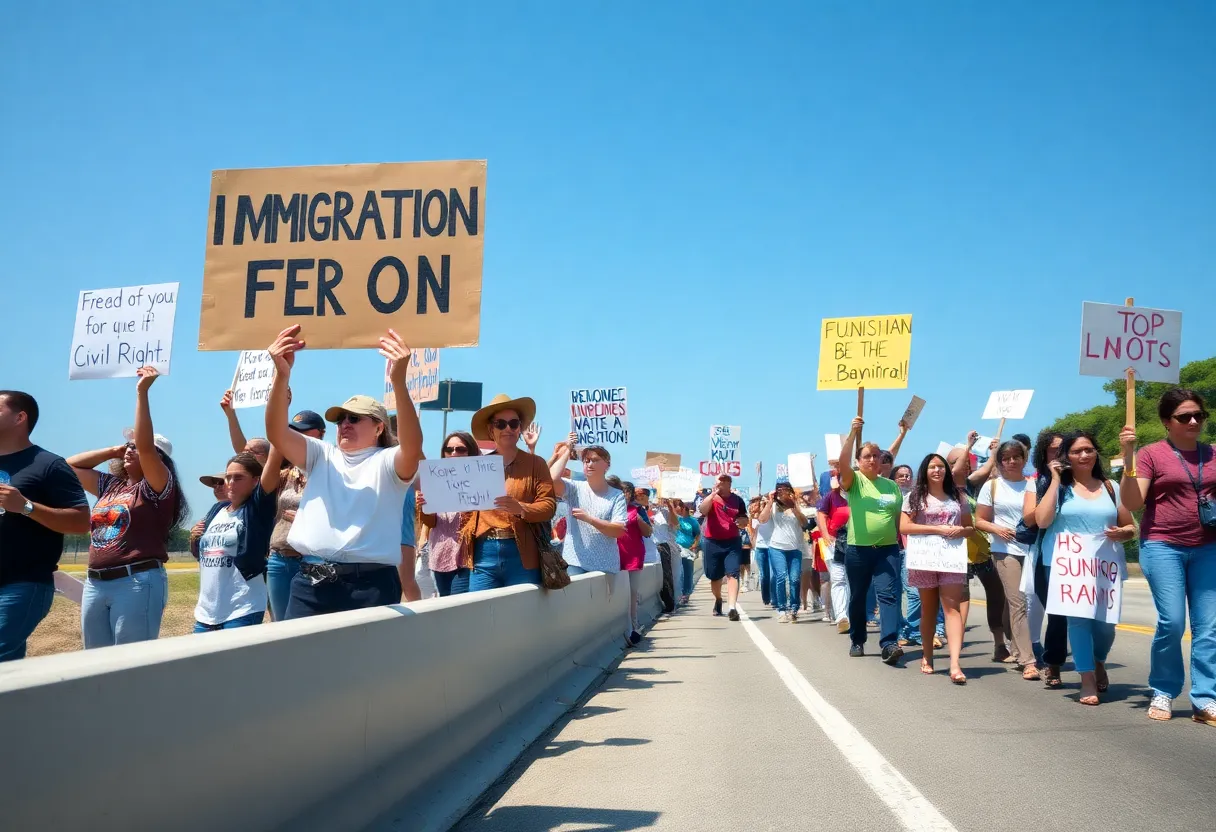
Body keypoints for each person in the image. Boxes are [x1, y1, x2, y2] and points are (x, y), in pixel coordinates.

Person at [264, 326, 422, 618]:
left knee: (365, 665)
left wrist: (399, 382)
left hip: (371, 586)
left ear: (379, 428)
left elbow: (413, 448)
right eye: (339, 420)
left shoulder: (388, 462)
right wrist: (281, 375)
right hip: (311, 580)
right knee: (297, 663)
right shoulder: (321, 454)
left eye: (354, 418)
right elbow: (276, 432)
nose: (344, 424)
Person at [67, 367, 188, 648]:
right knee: (94, 663)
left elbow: (146, 449)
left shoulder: (155, 487)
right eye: (127, 446)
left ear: (160, 460)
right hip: (96, 583)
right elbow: (69, 466)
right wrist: (113, 451)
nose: (131, 449)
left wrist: (142, 393)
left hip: (136, 581)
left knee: (130, 665)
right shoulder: (111, 485)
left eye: (138, 446)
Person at [1119, 389, 1216, 724]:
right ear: (1166, 422)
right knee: (1172, 622)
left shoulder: (1213, 453)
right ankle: (1163, 688)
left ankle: (1205, 699)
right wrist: (1127, 457)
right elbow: (1133, 503)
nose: (1193, 421)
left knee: (1208, 627)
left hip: (1208, 547)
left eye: (1199, 416)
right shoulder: (1151, 454)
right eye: (1184, 416)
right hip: (1163, 546)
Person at [1031, 431, 1136, 704]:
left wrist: (1123, 532)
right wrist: (1055, 480)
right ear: (1066, 457)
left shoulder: (1111, 486)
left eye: (1089, 449)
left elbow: (1130, 526)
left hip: (1103, 565)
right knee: (1078, 621)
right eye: (1077, 451)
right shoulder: (1059, 488)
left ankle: (1098, 660)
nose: (1084, 455)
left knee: (1105, 626)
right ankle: (1086, 677)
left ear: (1096, 452)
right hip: (1064, 564)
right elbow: (1041, 521)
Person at [0, 391, 90, 661]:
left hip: (22, 584)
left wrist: (27, 506)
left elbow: (81, 520)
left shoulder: (48, 465)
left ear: (20, 417)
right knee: (10, 673)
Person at [465, 394, 556, 591]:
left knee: (521, 616)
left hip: (522, 553)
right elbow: (463, 509)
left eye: (514, 424)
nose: (508, 428)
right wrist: (431, 504)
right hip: (483, 553)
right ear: (491, 429)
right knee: (480, 613)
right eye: (501, 424)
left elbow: (549, 505)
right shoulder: (476, 466)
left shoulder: (536, 463)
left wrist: (521, 508)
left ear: (520, 429)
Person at [900, 453, 972, 683]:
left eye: (941, 467)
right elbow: (904, 526)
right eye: (932, 467)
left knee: (952, 609)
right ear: (925, 471)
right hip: (924, 559)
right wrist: (938, 529)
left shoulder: (957, 497)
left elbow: (970, 527)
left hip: (951, 558)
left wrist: (959, 531)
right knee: (928, 609)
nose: (937, 471)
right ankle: (927, 656)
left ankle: (954, 664)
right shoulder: (915, 497)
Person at [838, 417, 903, 664]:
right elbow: (842, 461)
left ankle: (888, 644)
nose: (873, 459)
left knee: (888, 595)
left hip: (887, 551)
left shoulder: (891, 487)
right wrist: (853, 433)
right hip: (858, 551)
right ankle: (857, 639)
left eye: (876, 456)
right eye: (867, 456)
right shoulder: (854, 481)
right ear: (858, 461)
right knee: (858, 596)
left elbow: (896, 518)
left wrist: (897, 544)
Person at [191, 451, 279, 631]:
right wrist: (193, 538)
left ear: (255, 480)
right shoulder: (217, 510)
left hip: (242, 609)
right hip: (206, 612)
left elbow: (274, 463)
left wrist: (277, 442)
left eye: (238, 478)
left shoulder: (257, 509)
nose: (230, 483)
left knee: (234, 661)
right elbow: (204, 553)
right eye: (228, 477)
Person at [975, 440, 1040, 680]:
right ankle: (1028, 660)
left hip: (1032, 550)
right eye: (1006, 457)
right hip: (1005, 550)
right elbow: (979, 520)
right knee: (1018, 602)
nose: (1012, 461)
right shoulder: (992, 486)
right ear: (1000, 461)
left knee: (1022, 603)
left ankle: (1013, 646)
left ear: (1025, 459)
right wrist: (997, 529)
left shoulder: (1034, 485)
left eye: (1017, 456)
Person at [947, 441, 1010, 661]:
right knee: (961, 599)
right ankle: (957, 642)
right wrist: (968, 446)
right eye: (958, 461)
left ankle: (1000, 644)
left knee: (997, 595)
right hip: (958, 554)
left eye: (968, 461)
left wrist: (994, 451)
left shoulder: (975, 485)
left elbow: (987, 466)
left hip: (983, 551)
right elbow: (955, 471)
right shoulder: (946, 488)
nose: (965, 465)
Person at [261, 409, 325, 621]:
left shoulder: (329, 469)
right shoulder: (286, 473)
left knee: (314, 624)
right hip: (279, 558)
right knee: (281, 626)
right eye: (293, 432)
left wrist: (307, 520)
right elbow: (264, 485)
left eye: (304, 432)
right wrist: (278, 445)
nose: (297, 436)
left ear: (321, 434)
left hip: (314, 559)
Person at [1024, 430, 1070, 685]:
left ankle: (1096, 664)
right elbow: (1032, 518)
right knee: (1057, 612)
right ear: (1043, 454)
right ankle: (1054, 663)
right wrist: (1054, 481)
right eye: (1054, 450)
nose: (1060, 454)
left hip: (1080, 556)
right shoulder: (1037, 482)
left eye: (1064, 449)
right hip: (1048, 554)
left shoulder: (1084, 480)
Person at [418, 431, 480, 596]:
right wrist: (423, 507)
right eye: (449, 449)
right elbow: (430, 523)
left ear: (471, 452)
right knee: (447, 608)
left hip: (467, 557)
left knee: (459, 610)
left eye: (460, 449)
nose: (454, 453)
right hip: (440, 555)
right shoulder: (434, 479)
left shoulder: (480, 480)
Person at [696, 474, 749, 620]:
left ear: (729, 483)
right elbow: (702, 510)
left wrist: (742, 522)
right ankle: (718, 599)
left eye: (723, 481)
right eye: (719, 481)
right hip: (712, 542)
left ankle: (732, 608)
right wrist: (713, 494)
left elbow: (745, 519)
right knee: (714, 577)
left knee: (733, 574)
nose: (720, 483)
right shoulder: (711, 499)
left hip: (732, 541)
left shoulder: (737, 500)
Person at [759, 480, 808, 623]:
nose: (782, 492)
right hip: (777, 547)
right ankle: (782, 609)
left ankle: (794, 608)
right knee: (781, 577)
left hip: (795, 548)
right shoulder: (773, 506)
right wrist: (770, 501)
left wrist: (794, 507)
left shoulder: (797, 505)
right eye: (779, 490)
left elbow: (804, 523)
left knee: (794, 579)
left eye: (785, 490)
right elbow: (762, 519)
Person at [614, 479, 651, 644]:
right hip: (614, 556)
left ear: (630, 494)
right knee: (618, 595)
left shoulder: (638, 510)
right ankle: (622, 628)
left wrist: (638, 519)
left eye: (624, 492)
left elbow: (648, 532)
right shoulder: (611, 507)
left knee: (632, 593)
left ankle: (633, 627)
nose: (622, 495)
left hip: (633, 556)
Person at [817, 466, 852, 633]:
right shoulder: (831, 497)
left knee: (852, 580)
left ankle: (853, 614)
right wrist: (825, 534)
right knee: (838, 579)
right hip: (835, 543)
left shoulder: (859, 494)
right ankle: (841, 617)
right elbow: (821, 515)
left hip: (857, 542)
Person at [638, 486, 679, 614]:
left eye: (643, 495)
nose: (640, 497)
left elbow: (675, 524)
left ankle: (669, 602)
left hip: (661, 546)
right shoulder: (638, 510)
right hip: (645, 546)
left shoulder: (663, 511)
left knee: (665, 575)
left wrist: (670, 507)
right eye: (638, 495)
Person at [674, 500, 700, 605]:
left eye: (677, 506)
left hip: (688, 549)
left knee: (687, 572)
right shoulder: (676, 519)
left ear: (683, 507)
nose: (676, 508)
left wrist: (695, 545)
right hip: (676, 548)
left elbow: (697, 534)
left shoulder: (693, 521)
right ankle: (677, 594)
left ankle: (686, 594)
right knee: (678, 573)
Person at [750, 496, 773, 607]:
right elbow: (752, 531)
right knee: (764, 574)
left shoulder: (772, 511)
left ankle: (774, 597)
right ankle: (766, 597)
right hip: (760, 547)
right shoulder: (755, 517)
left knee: (773, 573)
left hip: (773, 546)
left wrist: (768, 504)